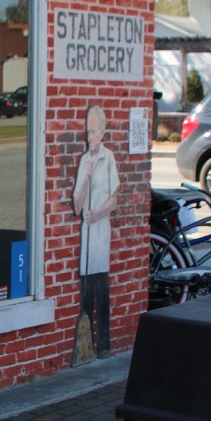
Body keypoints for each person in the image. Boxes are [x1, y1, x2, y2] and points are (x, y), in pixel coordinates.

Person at [72, 104, 120, 358]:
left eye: (93, 131)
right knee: (86, 294)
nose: (90, 136)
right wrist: (86, 178)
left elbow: (113, 201)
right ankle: (86, 347)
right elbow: (77, 206)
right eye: (87, 132)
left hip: (100, 232)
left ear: (102, 132)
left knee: (102, 291)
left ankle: (105, 344)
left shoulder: (108, 158)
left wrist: (97, 213)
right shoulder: (85, 161)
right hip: (87, 234)